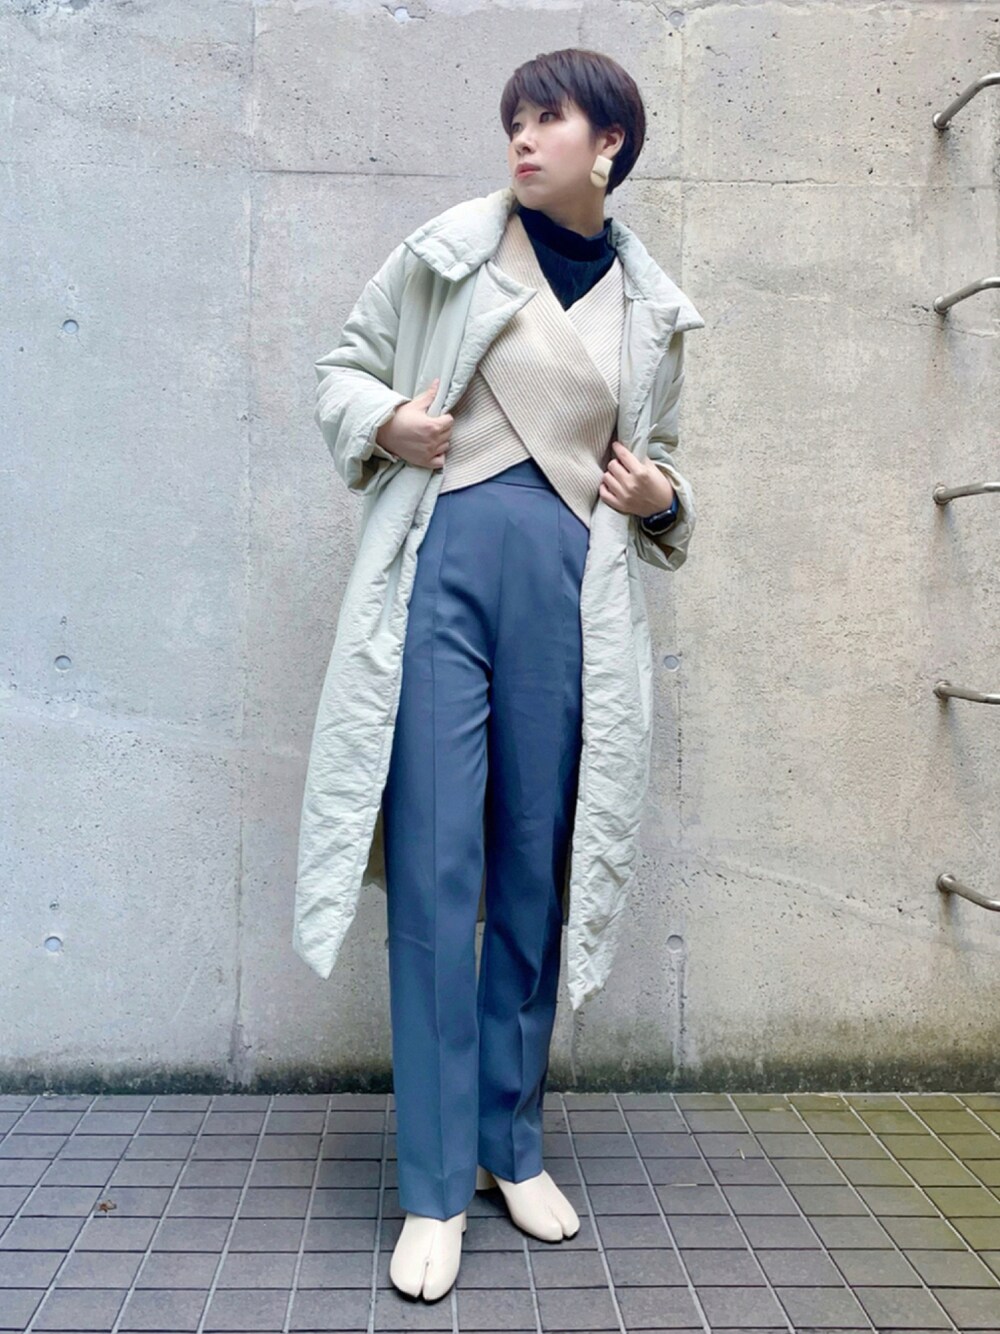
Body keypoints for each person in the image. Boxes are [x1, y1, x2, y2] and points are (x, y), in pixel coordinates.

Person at [293, 46, 704, 1303]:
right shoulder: (444, 254)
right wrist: (386, 422)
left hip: (570, 598)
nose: (522, 139)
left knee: (535, 862)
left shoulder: (650, 309)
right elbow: (342, 369)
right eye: (514, 120)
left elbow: (664, 460)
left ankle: (506, 1144)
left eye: (549, 119)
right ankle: (432, 1183)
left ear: (609, 144)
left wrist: (662, 495)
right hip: (442, 578)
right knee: (435, 865)